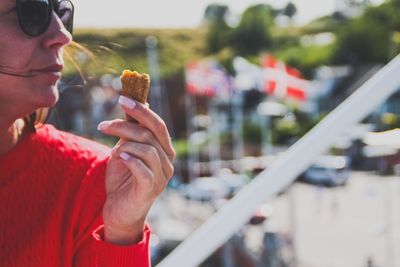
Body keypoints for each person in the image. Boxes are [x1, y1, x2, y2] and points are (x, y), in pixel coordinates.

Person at [0, 0, 175, 266]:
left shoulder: (93, 180)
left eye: (61, 11)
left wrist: (121, 234)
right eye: (32, 10)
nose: (63, 35)